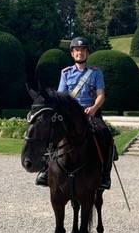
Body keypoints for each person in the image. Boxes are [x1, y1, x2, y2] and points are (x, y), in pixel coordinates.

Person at [35, 36, 115, 189]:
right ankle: (46, 170)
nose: (80, 53)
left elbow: (100, 95)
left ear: (87, 53)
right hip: (70, 116)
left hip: (89, 114)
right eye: (77, 50)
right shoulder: (66, 73)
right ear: (72, 54)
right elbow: (60, 96)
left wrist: (94, 108)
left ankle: (105, 175)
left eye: (83, 50)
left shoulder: (96, 73)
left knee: (106, 135)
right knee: (52, 133)